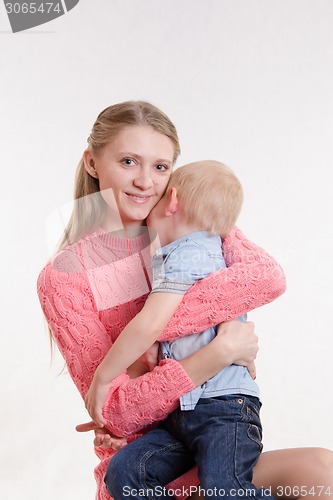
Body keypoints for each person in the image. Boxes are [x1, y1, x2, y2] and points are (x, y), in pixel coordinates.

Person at [37, 101, 333, 500]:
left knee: (322, 471)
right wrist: (222, 349)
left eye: (160, 167)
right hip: (142, 471)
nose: (146, 181)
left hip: (210, 435)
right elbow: (119, 412)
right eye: (128, 161)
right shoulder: (65, 276)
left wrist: (151, 336)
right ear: (92, 162)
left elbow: (266, 278)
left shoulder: (188, 221)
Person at [85, 159, 272, 499]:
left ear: (171, 201)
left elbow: (150, 324)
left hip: (223, 408)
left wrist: (104, 376)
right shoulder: (194, 254)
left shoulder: (191, 253)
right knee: (127, 472)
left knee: (226, 489)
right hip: (184, 412)